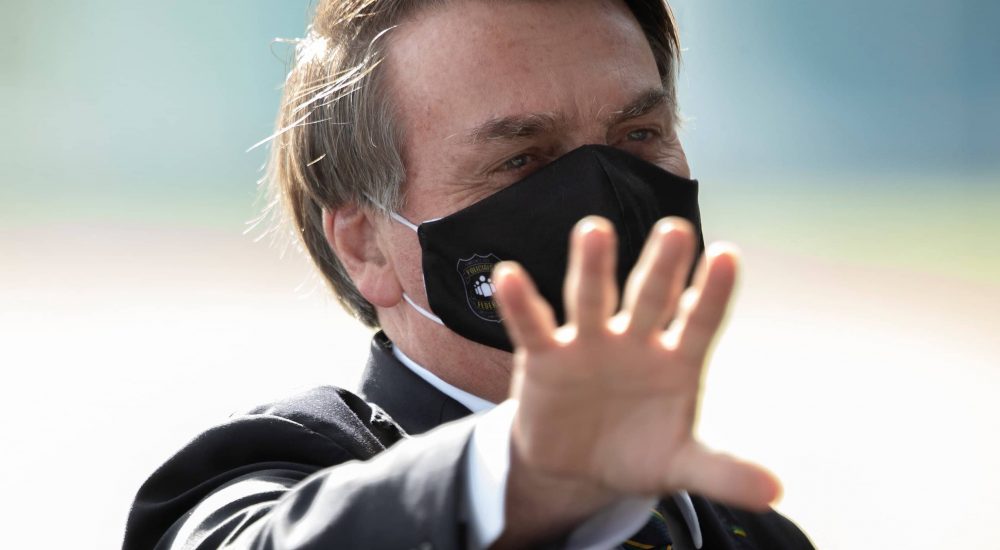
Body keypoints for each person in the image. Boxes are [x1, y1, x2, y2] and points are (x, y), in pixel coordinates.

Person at [123, 0, 814, 548]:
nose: (602, 199)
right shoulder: (276, 474)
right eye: (522, 160)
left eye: (639, 136)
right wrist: (519, 477)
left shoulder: (754, 533)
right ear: (366, 246)